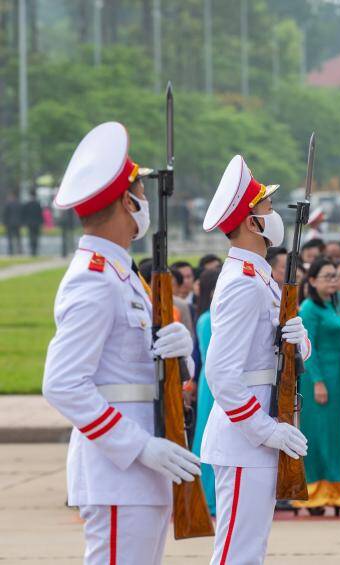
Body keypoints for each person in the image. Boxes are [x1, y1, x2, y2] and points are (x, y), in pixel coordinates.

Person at [42, 122, 202, 564]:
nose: (146, 202)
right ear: (125, 202)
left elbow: (134, 365)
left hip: (147, 462)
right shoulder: (94, 280)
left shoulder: (121, 273)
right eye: (142, 193)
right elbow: (63, 384)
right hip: (120, 466)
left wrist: (179, 350)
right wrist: (137, 446)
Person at [201, 155, 312, 563]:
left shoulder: (260, 275)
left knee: (250, 550)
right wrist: (264, 429)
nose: (273, 214)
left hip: (259, 431)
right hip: (246, 437)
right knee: (237, 553)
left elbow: (274, 353)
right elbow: (221, 373)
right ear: (252, 222)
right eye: (266, 207)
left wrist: (301, 342)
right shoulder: (243, 283)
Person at [295, 259, 340, 516]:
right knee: (320, 434)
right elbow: (307, 350)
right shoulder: (309, 308)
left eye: (335, 276)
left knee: (335, 435)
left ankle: (335, 490)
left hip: (338, 376)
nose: (333, 281)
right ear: (311, 281)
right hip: (318, 379)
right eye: (326, 277)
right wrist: (319, 382)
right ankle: (318, 493)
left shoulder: (337, 305)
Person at [192, 267, 221, 517]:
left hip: (214, 380)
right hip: (212, 383)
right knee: (208, 437)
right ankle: (208, 497)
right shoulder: (207, 319)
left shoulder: (207, 317)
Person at [22, 189, 44, 256]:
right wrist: (41, 222)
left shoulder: (27, 204)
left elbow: (24, 214)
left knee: (31, 236)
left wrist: (24, 222)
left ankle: (32, 250)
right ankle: (35, 250)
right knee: (36, 236)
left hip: (29, 223)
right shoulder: (38, 204)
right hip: (37, 223)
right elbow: (40, 214)